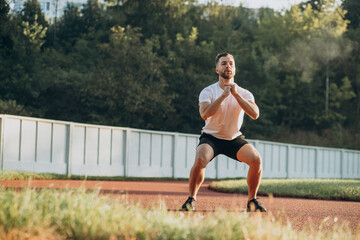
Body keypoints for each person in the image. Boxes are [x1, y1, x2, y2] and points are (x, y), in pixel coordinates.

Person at [181, 52, 267, 212]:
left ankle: (252, 201)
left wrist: (235, 94)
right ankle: (191, 199)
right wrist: (223, 96)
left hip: (233, 139)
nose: (228, 66)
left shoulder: (245, 93)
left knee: (256, 160)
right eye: (223, 63)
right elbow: (205, 113)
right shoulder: (208, 91)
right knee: (200, 159)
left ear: (234, 69)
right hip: (211, 138)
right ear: (217, 69)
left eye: (231, 63)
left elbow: (255, 114)